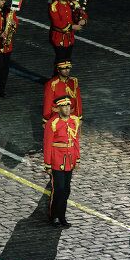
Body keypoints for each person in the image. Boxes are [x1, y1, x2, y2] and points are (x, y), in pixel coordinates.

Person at [43, 96, 80, 227]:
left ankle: (62, 216)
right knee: (58, 189)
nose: (67, 109)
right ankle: (53, 216)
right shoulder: (52, 123)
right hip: (57, 161)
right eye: (64, 106)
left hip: (69, 160)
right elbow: (47, 145)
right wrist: (47, 164)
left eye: (68, 106)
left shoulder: (74, 121)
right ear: (58, 108)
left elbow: (75, 140)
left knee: (66, 189)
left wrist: (77, 158)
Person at [48, 0, 86, 72]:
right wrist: (72, 27)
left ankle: (62, 77)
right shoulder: (54, 6)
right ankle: (57, 77)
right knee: (61, 59)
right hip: (58, 37)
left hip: (70, 37)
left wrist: (83, 20)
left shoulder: (72, 3)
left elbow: (82, 13)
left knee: (67, 59)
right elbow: (57, 23)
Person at [42, 60, 82, 126]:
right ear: (58, 70)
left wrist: (79, 116)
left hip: (72, 114)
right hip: (57, 115)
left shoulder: (74, 81)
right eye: (64, 69)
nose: (67, 70)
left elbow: (78, 100)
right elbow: (48, 102)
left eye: (68, 68)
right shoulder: (52, 84)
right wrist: (46, 119)